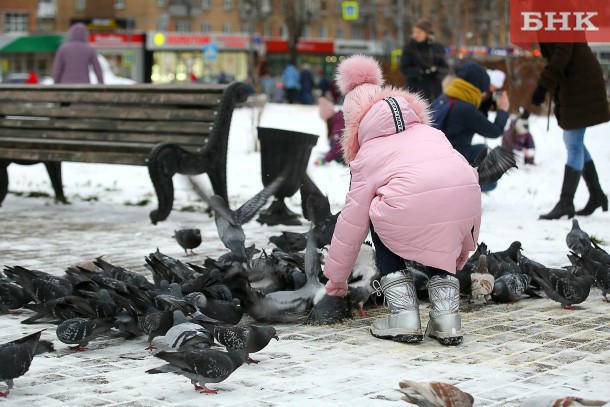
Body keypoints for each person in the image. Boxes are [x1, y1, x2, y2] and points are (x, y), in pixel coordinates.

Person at [322, 55, 481, 346]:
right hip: (464, 206)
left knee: (375, 211)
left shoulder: (369, 153)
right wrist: (461, 250)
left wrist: (337, 282)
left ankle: (403, 313)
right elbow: (464, 188)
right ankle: (447, 317)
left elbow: (351, 225)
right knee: (437, 220)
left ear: (354, 123)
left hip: (415, 210)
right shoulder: (432, 134)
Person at [532, 42, 610, 219]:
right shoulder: (551, 18)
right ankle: (596, 194)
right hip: (573, 82)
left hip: (580, 84)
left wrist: (543, 85)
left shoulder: (561, 16)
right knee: (574, 142)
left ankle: (566, 202)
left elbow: (562, 52)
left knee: (573, 143)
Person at [441, 61, 510, 168]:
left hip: (439, 155)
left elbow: (472, 119)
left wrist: (484, 105)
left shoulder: (445, 98)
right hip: (454, 161)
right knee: (487, 154)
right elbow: (495, 131)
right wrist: (503, 110)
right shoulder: (466, 109)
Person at [399, 19, 449, 102]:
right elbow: (404, 69)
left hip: (434, 91)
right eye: (413, 32)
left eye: (418, 32)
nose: (415, 35)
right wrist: (420, 71)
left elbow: (445, 67)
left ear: (427, 33)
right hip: (415, 91)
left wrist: (436, 71)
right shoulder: (409, 48)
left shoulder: (437, 48)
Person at [315, 97, 345, 166]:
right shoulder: (338, 119)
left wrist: (324, 160)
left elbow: (337, 148)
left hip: (344, 157)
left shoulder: (338, 125)